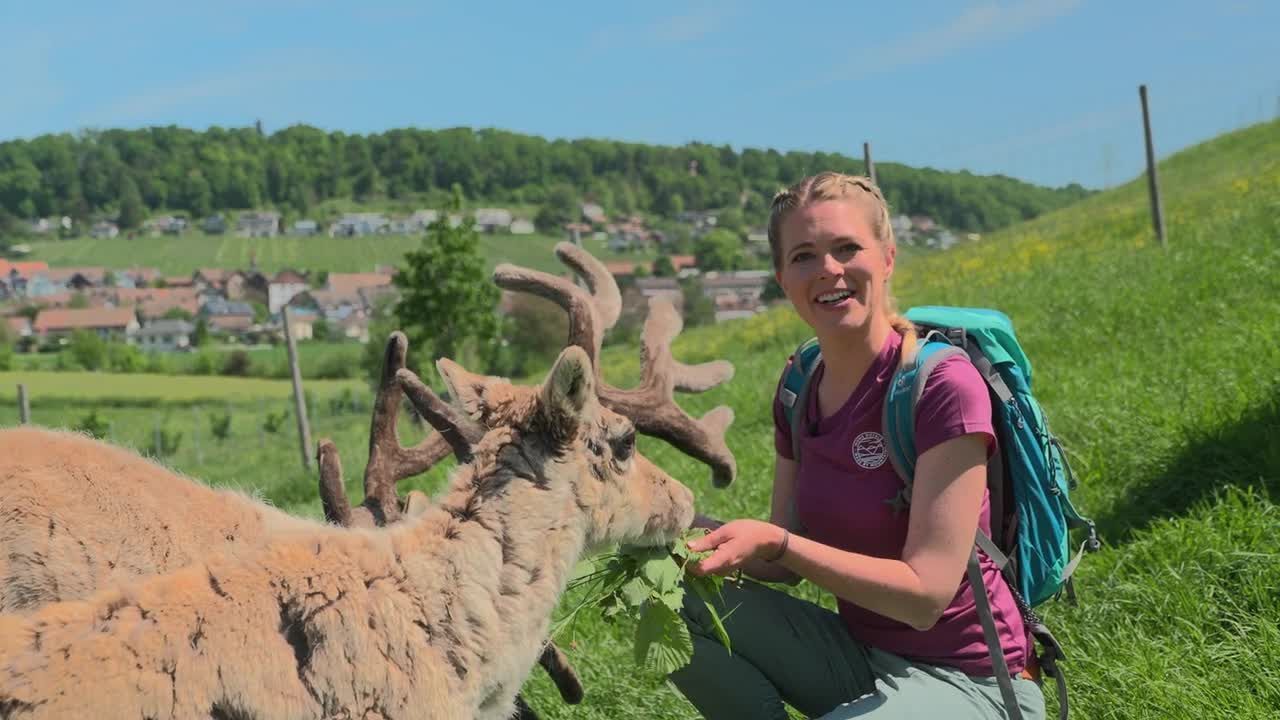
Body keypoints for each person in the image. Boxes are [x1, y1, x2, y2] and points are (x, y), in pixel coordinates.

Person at [668, 172, 1045, 719]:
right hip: (862, 656)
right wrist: (687, 529)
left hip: (976, 681)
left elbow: (924, 597)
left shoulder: (940, 386)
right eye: (803, 256)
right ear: (781, 277)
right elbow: (784, 562)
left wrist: (776, 543)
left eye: (847, 248)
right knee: (672, 602)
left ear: (887, 257)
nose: (827, 269)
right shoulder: (800, 384)